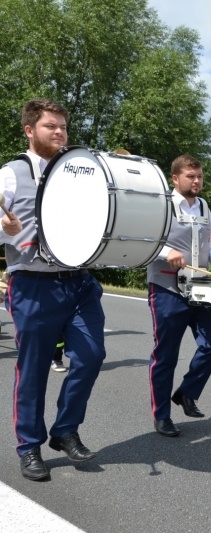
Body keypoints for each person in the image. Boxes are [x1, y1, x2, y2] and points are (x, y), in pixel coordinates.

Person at [1, 98, 106, 481]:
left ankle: (64, 431)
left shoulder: (81, 171)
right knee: (33, 371)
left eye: (63, 126)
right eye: (51, 126)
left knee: (92, 355)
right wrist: (4, 229)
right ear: (30, 130)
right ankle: (29, 446)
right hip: (33, 284)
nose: (60, 132)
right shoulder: (11, 174)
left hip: (79, 282)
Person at [147, 154, 211, 438]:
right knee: (166, 355)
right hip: (168, 287)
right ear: (175, 178)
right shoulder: (161, 205)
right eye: (191, 176)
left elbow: (210, 241)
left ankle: (187, 392)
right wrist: (166, 252)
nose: (197, 181)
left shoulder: (204, 206)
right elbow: (145, 241)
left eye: (200, 176)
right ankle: (161, 416)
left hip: (201, 286)